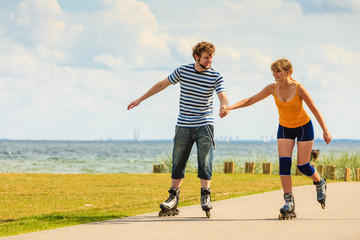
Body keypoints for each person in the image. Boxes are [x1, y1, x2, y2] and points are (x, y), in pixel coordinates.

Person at [127, 41, 229, 218]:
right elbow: (162, 85)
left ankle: (205, 195)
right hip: (183, 124)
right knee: (178, 160)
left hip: (205, 124)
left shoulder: (216, 76)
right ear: (196, 57)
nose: (209, 60)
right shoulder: (183, 71)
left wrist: (224, 106)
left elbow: (222, 96)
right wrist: (140, 99)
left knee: (205, 160)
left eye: (211, 57)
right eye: (206, 57)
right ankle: (173, 198)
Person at [222, 58, 332, 219]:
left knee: (302, 165)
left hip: (303, 128)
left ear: (288, 72)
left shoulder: (298, 88)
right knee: (284, 165)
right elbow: (251, 100)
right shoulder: (272, 88)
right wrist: (230, 107)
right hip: (284, 129)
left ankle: (319, 182)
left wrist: (325, 130)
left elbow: (313, 108)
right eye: (273, 71)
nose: (274, 74)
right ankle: (289, 201)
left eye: (278, 71)